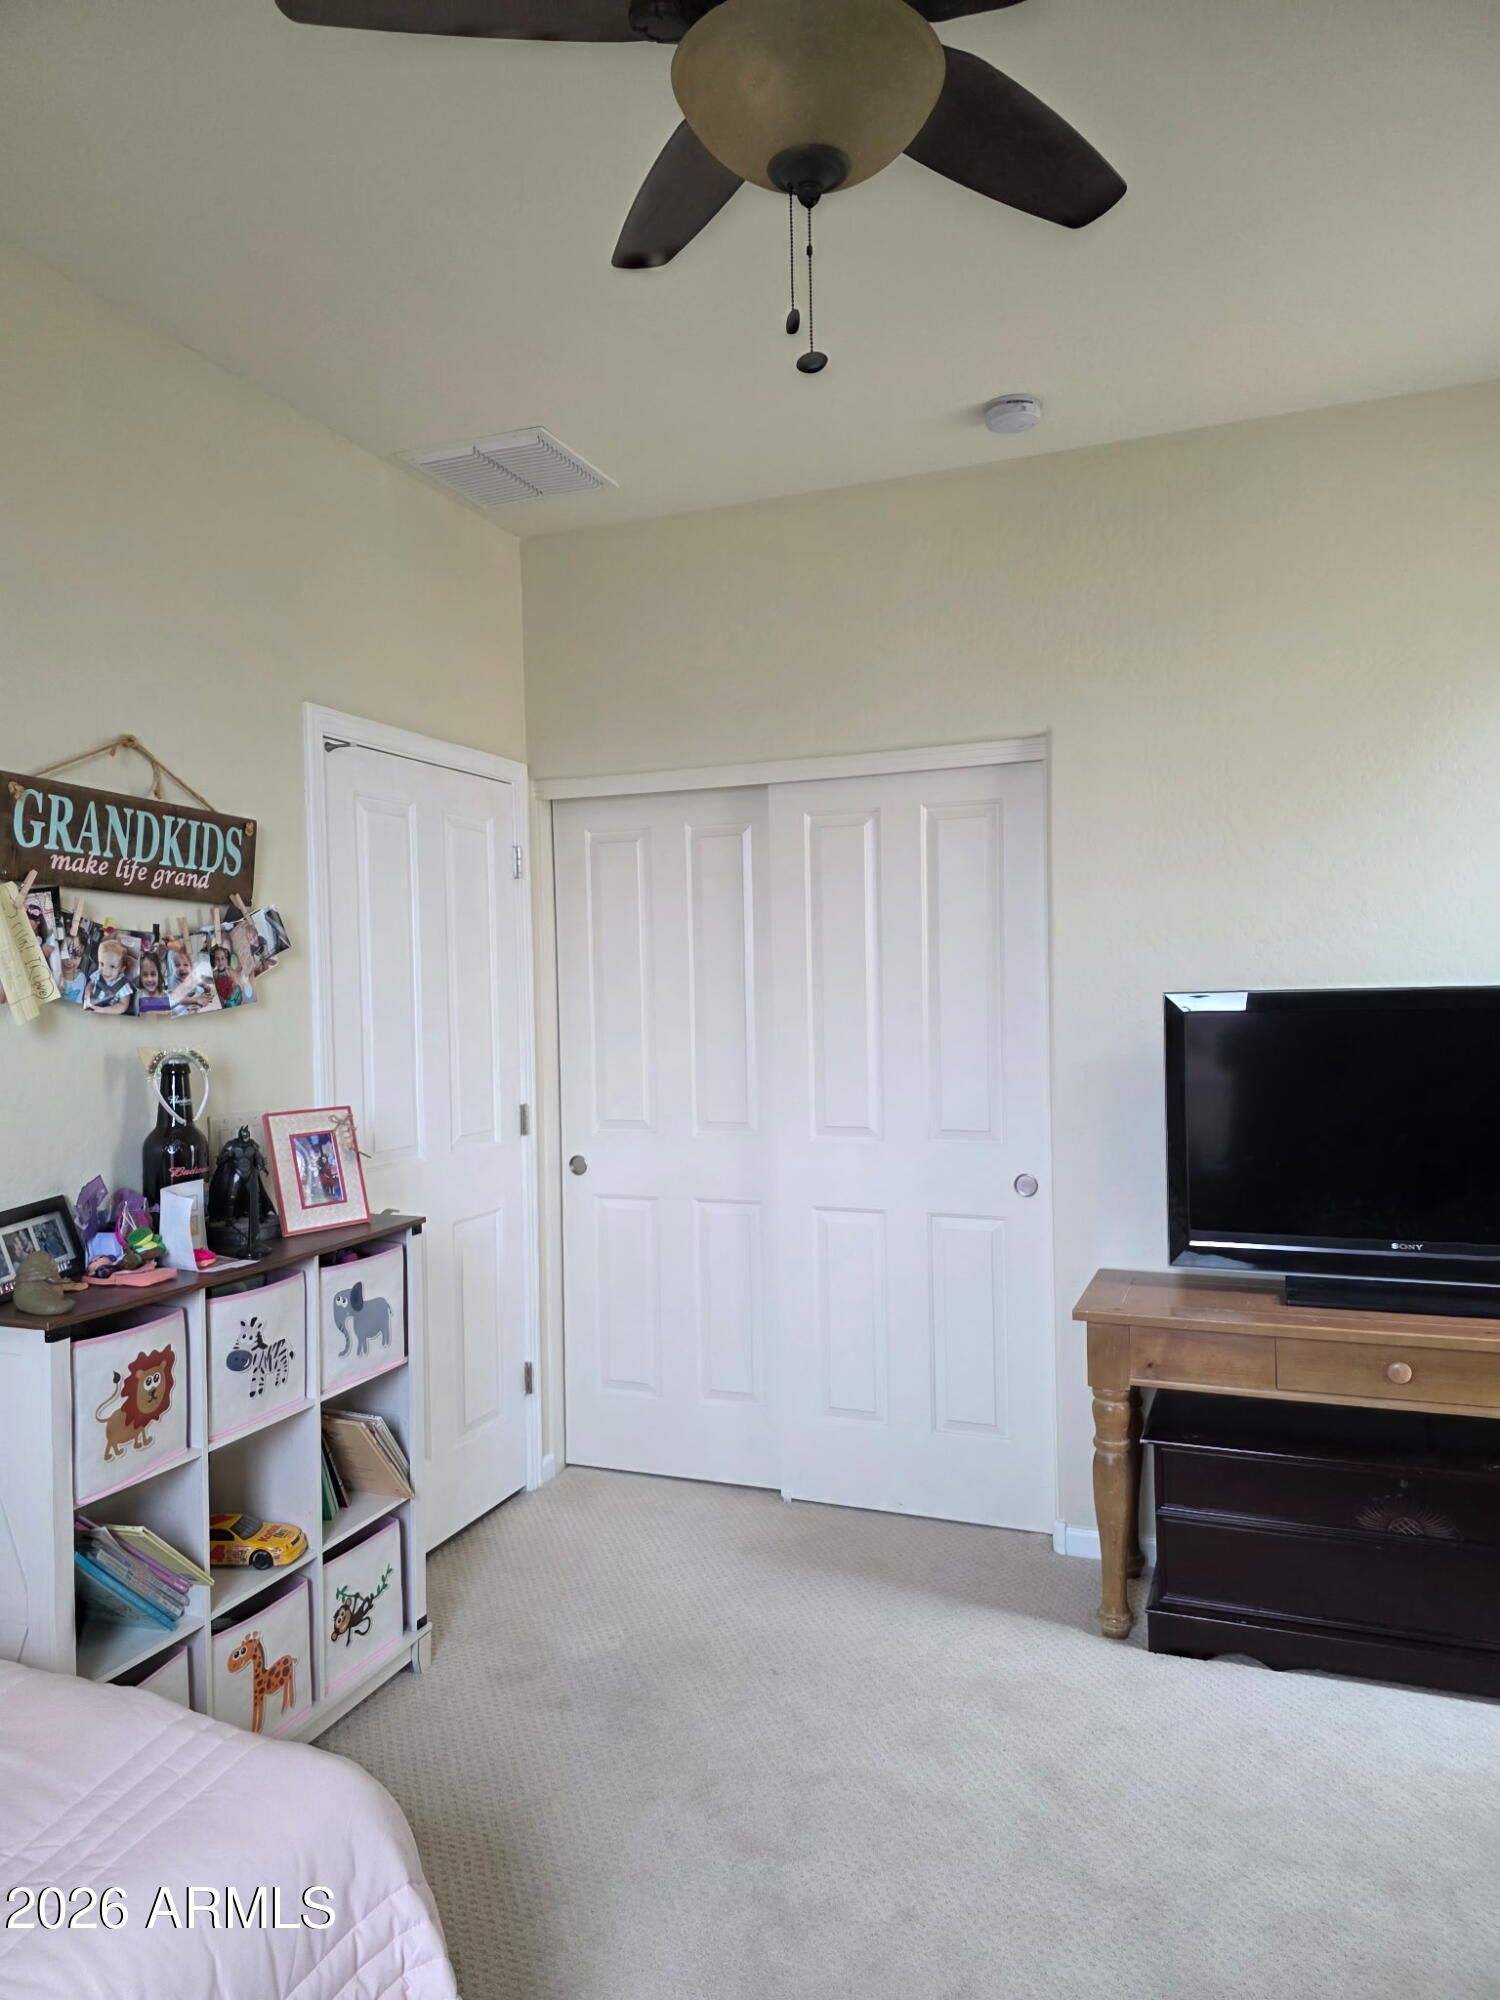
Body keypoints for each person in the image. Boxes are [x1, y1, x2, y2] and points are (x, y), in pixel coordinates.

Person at [82, 934, 136, 1016]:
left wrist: (103, 1010)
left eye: (112, 966)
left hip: (108, 1014)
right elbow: (91, 983)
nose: (105, 971)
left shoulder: (123, 986)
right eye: (102, 964)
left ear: (122, 969)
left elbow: (123, 1005)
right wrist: (87, 992)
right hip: (90, 1006)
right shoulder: (98, 973)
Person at [136, 948, 172, 1015]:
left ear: (158, 974)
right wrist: (162, 1013)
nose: (149, 979)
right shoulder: (138, 996)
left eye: (153, 974)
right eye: (145, 975)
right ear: (140, 976)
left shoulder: (165, 996)